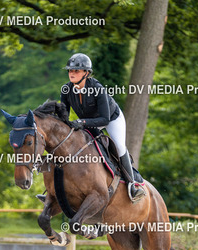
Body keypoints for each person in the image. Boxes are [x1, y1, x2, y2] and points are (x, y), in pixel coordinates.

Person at [60, 53, 145, 203]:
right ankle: (58, 189)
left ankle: (132, 185)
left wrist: (82, 122)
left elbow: (105, 119)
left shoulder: (97, 88)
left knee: (119, 146)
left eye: (76, 71)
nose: (71, 73)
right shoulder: (66, 90)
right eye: (70, 70)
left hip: (111, 119)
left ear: (86, 73)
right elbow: (64, 116)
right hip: (89, 121)